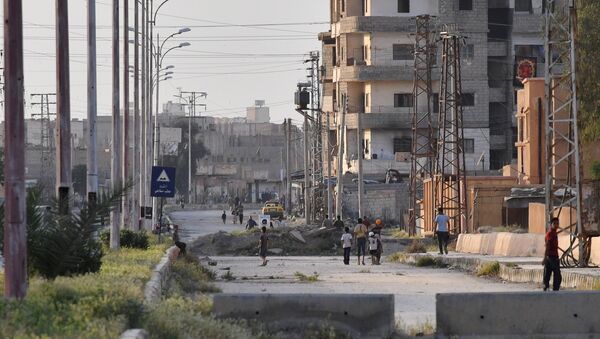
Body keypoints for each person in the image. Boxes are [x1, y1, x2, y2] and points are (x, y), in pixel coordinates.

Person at [543, 217, 562, 291]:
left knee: (547, 274)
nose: (556, 225)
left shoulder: (554, 233)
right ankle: (555, 291)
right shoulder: (550, 234)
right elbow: (547, 246)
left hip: (552, 257)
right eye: (554, 223)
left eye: (557, 223)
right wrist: (545, 258)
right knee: (557, 275)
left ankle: (546, 288)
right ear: (551, 224)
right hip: (551, 257)